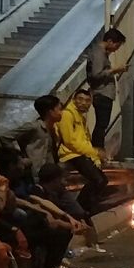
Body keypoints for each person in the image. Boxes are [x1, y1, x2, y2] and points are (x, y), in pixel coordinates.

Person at [56, 88, 109, 216]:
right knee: (98, 180)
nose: (83, 103)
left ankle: (85, 208)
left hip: (80, 153)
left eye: (87, 100)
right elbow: (70, 141)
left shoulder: (80, 117)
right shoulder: (67, 114)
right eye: (80, 99)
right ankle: (80, 210)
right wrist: (95, 152)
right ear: (74, 100)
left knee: (102, 180)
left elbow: (86, 140)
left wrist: (95, 157)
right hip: (71, 154)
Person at [0, 94, 62, 177]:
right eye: (59, 109)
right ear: (50, 111)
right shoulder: (33, 127)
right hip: (35, 172)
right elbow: (5, 137)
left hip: (48, 171)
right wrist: (19, 158)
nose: (61, 113)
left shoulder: (52, 129)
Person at [85, 28, 127, 152]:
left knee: (102, 124)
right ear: (109, 41)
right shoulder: (99, 53)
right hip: (102, 93)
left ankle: (98, 150)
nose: (116, 49)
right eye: (117, 45)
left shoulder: (101, 53)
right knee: (101, 124)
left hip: (102, 93)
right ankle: (98, 150)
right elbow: (96, 74)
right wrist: (114, 70)